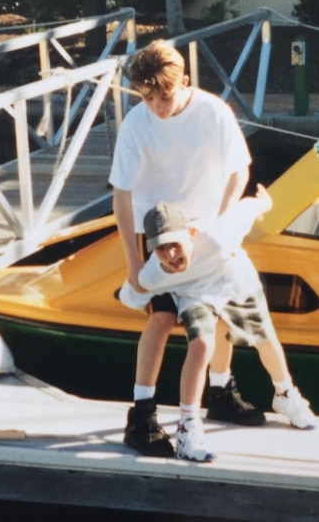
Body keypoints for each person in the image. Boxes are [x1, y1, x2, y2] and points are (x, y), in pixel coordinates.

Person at [109, 40, 263, 458]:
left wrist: (221, 223)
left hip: (207, 229)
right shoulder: (137, 126)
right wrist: (133, 261)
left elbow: (239, 169)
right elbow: (122, 195)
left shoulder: (214, 112)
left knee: (215, 314)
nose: (156, 106)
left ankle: (220, 391)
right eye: (146, 97)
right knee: (161, 317)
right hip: (160, 231)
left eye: (164, 96)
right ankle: (141, 415)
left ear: (186, 82)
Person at [120, 185, 317, 461]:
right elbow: (133, 291)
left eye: (175, 244)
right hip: (197, 295)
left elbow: (249, 207)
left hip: (234, 280)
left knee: (264, 338)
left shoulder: (219, 235)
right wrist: (141, 294)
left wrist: (264, 203)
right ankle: (188, 428)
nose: (170, 255)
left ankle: (285, 393)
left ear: (191, 233)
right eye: (161, 248)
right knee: (201, 344)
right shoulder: (152, 274)